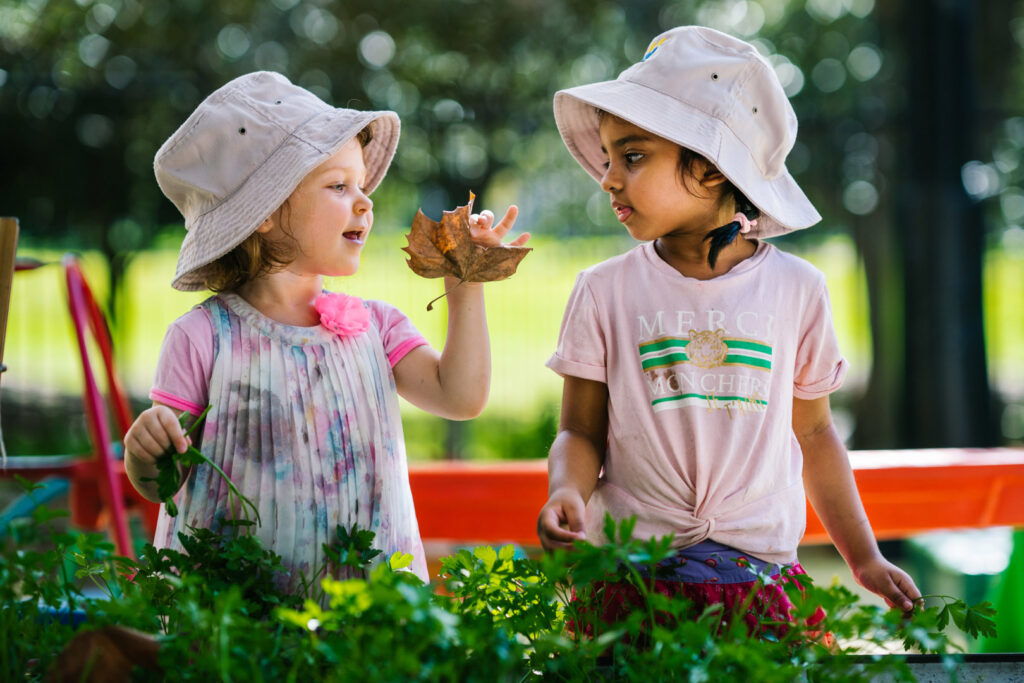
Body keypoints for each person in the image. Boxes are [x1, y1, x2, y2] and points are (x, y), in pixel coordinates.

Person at [535, 26, 919, 632]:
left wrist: (864, 558)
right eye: (609, 158)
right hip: (632, 584)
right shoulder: (603, 290)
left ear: (711, 169)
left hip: (757, 583)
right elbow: (580, 430)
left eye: (632, 156)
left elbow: (816, 437)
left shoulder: (798, 290)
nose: (608, 177)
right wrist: (565, 492)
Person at [124, 71, 528, 591]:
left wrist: (464, 281)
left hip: (366, 611)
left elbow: (462, 395)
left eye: (362, 185)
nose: (365, 202)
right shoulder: (203, 337)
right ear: (264, 212)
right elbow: (163, 483)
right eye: (339, 186)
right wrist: (144, 455)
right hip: (239, 618)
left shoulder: (377, 329)